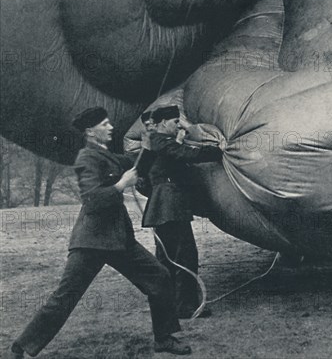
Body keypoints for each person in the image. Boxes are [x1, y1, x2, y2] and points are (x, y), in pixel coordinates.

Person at [7, 108, 191, 358]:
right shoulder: (86, 158)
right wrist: (120, 185)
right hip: (92, 242)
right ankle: (22, 346)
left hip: (119, 239)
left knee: (159, 276)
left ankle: (164, 338)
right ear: (91, 132)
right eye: (105, 124)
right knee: (65, 296)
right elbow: (93, 200)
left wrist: (148, 143)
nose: (111, 127)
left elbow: (138, 167)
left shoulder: (109, 156)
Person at [140, 105, 222, 319]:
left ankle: (169, 305)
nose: (178, 125)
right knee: (184, 256)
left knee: (166, 258)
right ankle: (185, 307)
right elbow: (186, 153)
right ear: (162, 123)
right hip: (170, 205)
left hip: (164, 205)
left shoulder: (159, 144)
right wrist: (217, 151)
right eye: (175, 121)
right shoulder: (161, 141)